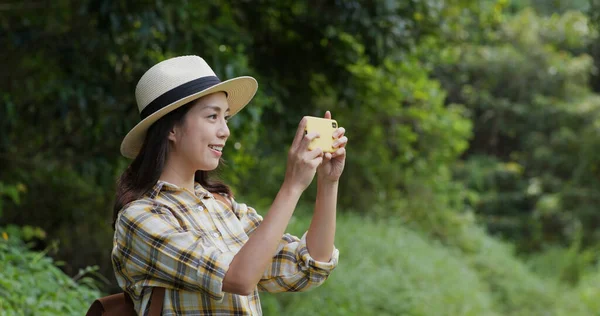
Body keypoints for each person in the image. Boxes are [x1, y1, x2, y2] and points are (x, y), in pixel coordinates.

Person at [111, 55, 348, 315]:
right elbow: (240, 279)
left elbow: (306, 268)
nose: (225, 131)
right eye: (212, 117)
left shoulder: (224, 207)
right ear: (171, 129)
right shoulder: (140, 218)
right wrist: (292, 186)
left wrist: (328, 183)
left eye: (226, 118)